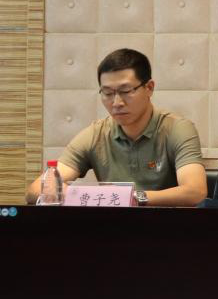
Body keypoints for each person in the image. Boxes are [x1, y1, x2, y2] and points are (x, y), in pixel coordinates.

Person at [26, 48, 206, 206]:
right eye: (107, 93)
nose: (116, 102)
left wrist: (130, 198)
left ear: (149, 88)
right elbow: (34, 190)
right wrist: (73, 194)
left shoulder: (177, 129)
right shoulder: (95, 134)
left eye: (126, 91)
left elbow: (195, 191)